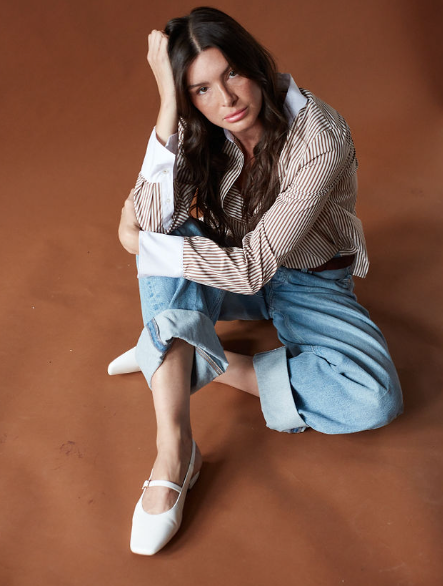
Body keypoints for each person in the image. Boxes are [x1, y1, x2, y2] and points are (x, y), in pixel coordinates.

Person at [114, 7, 403, 555]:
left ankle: (184, 351)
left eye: (231, 74)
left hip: (307, 280)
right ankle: (175, 453)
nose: (226, 100)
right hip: (231, 264)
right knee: (167, 237)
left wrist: (143, 244)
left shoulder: (319, 136)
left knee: (374, 397)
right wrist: (168, 104)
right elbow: (151, 219)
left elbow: (252, 266)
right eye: (200, 89)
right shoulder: (201, 125)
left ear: (254, 63)